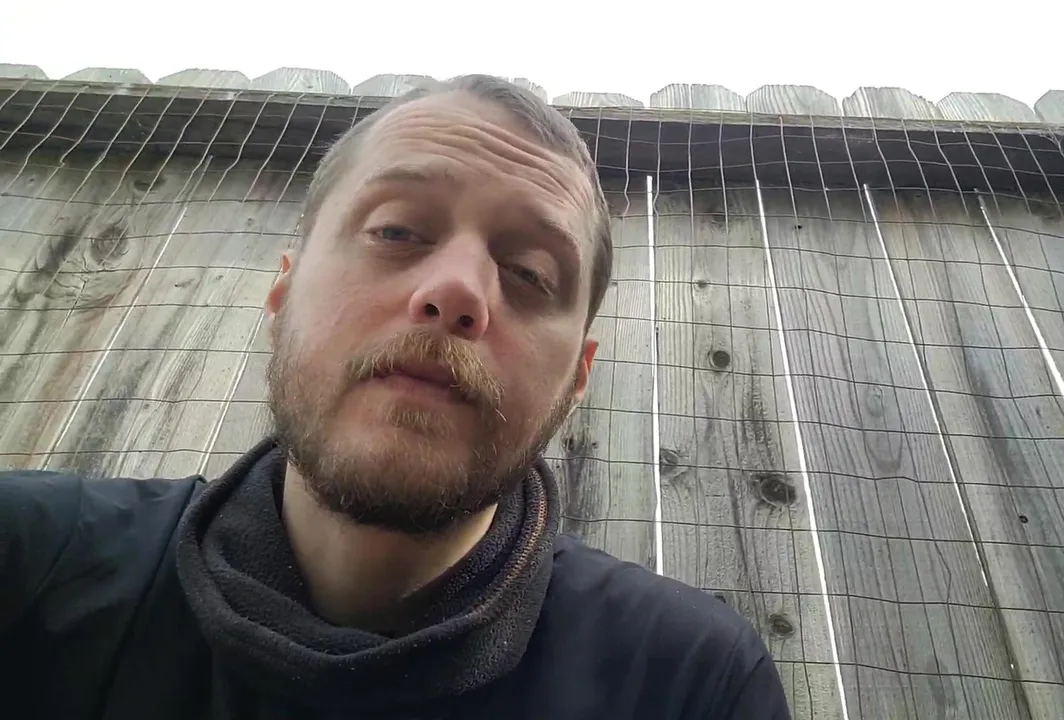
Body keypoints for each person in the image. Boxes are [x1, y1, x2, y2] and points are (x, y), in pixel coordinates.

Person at [0, 75, 793, 719]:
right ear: (282, 297)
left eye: (530, 274)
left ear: (577, 379)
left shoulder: (691, 683)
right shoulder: (31, 564)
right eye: (396, 232)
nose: (457, 291)